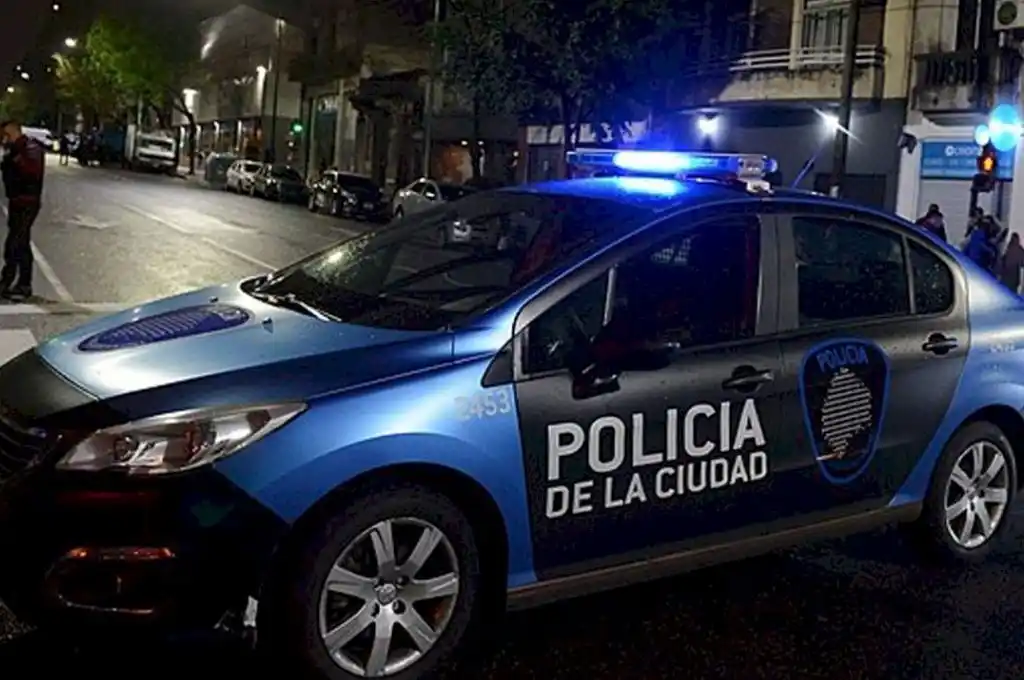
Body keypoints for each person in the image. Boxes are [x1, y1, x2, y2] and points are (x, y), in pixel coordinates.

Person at [0, 120, 45, 300]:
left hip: (27, 203)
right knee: (22, 244)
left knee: (14, 244)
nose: (4, 139)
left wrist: (13, 158)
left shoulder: (30, 148)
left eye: (6, 135)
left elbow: (31, 171)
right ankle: (23, 285)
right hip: (17, 202)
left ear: (13, 132)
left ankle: (8, 282)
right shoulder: (15, 149)